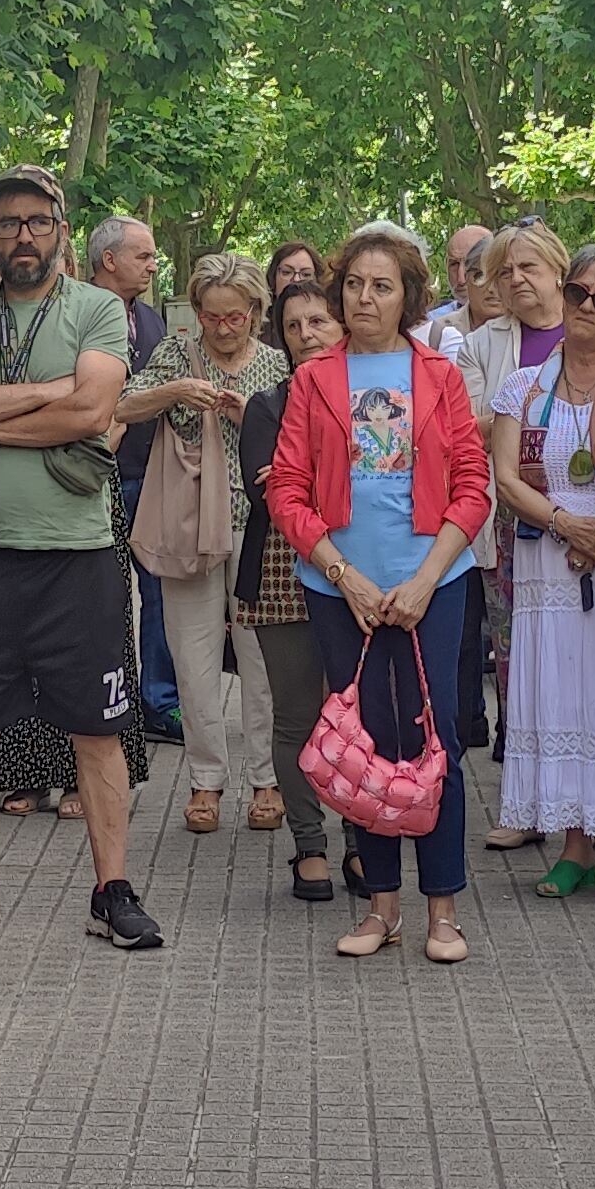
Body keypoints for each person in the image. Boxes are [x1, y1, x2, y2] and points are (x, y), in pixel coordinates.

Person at [0, 167, 156, 948]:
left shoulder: (97, 309)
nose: (24, 235)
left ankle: (112, 889)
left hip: (76, 557)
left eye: (38, 222)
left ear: (62, 229)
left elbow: (94, 409)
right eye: (8, 222)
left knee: (98, 729)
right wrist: (47, 398)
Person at [266, 225, 495, 962]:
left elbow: (472, 487)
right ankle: (381, 909)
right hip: (341, 589)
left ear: (409, 298)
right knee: (366, 743)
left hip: (436, 582)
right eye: (355, 284)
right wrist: (344, 575)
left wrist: (427, 578)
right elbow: (289, 495)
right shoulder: (313, 380)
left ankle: (444, 912)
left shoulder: (441, 376)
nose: (364, 297)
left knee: (436, 741)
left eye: (382, 285)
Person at [488, 241, 595, 899]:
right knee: (562, 692)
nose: (587, 307)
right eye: (577, 293)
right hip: (550, 563)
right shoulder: (522, 388)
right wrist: (569, 525)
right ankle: (573, 846)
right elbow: (505, 478)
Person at [122, 254, 287, 838]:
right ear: (196, 313)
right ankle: (205, 782)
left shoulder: (275, 364)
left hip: (259, 528)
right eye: (211, 317)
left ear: (256, 314)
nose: (222, 328)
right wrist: (173, 390)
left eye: (234, 317)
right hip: (189, 529)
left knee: (261, 659)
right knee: (191, 660)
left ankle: (267, 780)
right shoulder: (175, 354)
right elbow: (122, 405)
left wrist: (251, 418)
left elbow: (297, 446)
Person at [451, 224, 568, 824]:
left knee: (587, 656)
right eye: (504, 272)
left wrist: (513, 417)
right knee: (517, 660)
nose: (516, 280)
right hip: (511, 524)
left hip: (594, 524)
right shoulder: (482, 344)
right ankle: (525, 807)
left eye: (527, 267)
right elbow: (467, 423)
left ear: (557, 268)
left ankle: (591, 809)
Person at [232, 282, 345, 901]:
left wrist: (303, 475)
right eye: (294, 325)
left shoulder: (370, 395)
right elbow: (267, 493)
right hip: (282, 572)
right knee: (298, 715)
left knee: (360, 717)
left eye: (318, 321)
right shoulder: (265, 405)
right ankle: (310, 846)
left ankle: (364, 845)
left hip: (366, 567)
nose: (306, 334)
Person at [89, 218, 182, 739]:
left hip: (151, 478)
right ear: (109, 260)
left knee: (160, 594)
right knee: (105, 597)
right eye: (143, 256)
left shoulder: (150, 320)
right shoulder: (74, 312)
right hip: (95, 479)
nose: (153, 265)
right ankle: (111, 702)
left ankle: (159, 704)